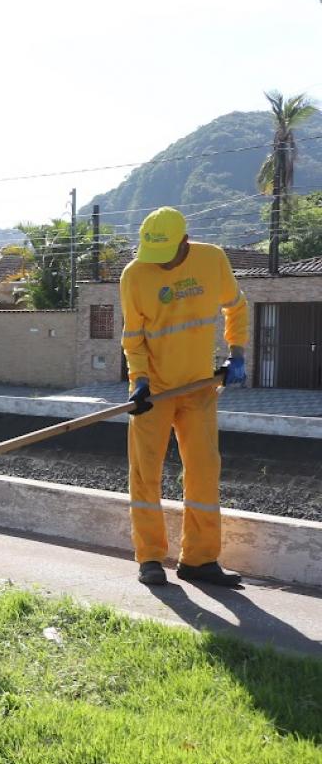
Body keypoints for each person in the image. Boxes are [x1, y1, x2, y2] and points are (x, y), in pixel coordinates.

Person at [120, 206, 249, 587]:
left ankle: (199, 560)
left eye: (166, 257)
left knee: (205, 471)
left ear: (185, 242)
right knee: (146, 475)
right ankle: (150, 558)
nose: (158, 265)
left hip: (198, 388)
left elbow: (236, 306)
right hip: (153, 391)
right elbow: (133, 336)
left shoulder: (212, 260)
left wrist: (236, 353)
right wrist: (139, 379)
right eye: (152, 257)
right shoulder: (134, 274)